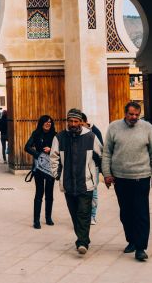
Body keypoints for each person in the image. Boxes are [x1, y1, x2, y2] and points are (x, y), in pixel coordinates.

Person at [103, 101, 152, 262]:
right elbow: (107, 152)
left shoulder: (147, 128)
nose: (134, 117)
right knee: (126, 212)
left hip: (141, 177)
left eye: (136, 114)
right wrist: (107, 174)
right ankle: (132, 240)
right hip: (120, 178)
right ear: (125, 113)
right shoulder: (114, 127)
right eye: (131, 114)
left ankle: (141, 247)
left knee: (141, 212)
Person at [50, 109, 103, 255]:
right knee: (74, 215)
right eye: (70, 121)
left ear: (80, 122)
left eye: (76, 121)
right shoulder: (60, 138)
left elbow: (100, 156)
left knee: (84, 213)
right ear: (67, 121)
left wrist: (102, 173)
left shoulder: (91, 137)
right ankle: (83, 237)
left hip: (86, 183)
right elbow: (53, 157)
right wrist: (57, 174)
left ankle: (82, 242)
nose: (73, 124)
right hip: (68, 184)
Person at [25, 114, 56, 229]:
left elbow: (61, 149)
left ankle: (48, 218)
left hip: (50, 168)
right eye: (46, 122)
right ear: (41, 123)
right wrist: (38, 155)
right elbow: (27, 147)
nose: (48, 124)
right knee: (39, 193)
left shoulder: (55, 135)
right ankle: (36, 220)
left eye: (50, 122)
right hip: (38, 168)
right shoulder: (36, 134)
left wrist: (51, 149)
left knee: (50, 193)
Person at [80, 112, 104, 225]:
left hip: (93, 167)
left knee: (93, 192)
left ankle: (92, 216)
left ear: (85, 122)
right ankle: (82, 216)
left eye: (80, 122)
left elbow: (101, 151)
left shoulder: (94, 131)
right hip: (79, 167)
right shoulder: (75, 133)